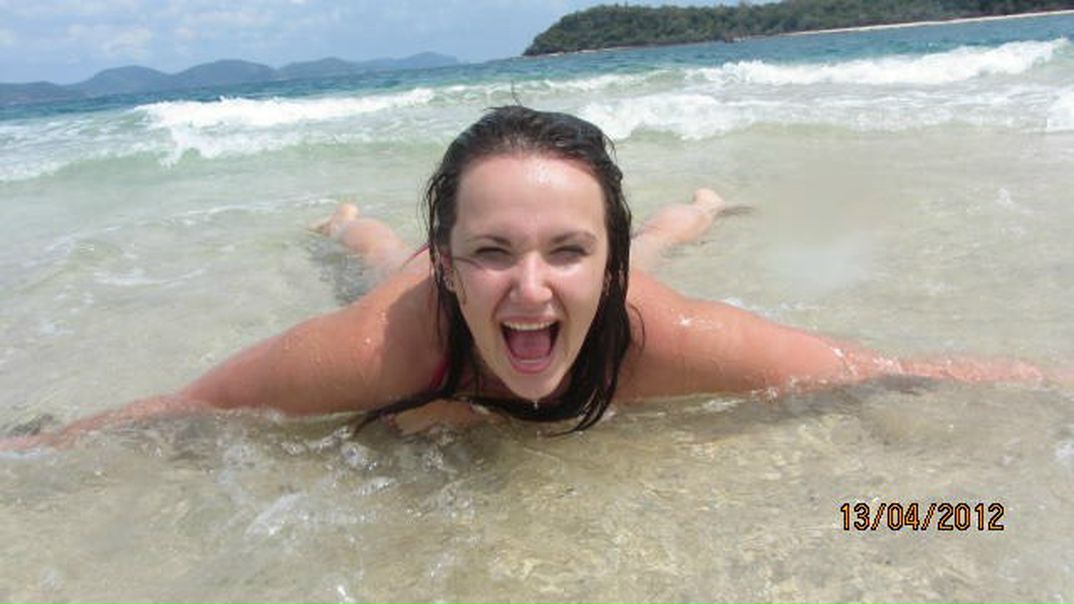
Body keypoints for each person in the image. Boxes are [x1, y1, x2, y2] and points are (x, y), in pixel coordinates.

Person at [1, 106, 1062, 449]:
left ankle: (692, 209)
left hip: (627, 273)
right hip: (409, 275)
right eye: (491, 250)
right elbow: (185, 407)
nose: (529, 289)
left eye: (569, 249)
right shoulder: (379, 346)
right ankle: (353, 220)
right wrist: (36, 446)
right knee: (371, 255)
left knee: (661, 246)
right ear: (452, 260)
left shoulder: (658, 332)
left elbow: (875, 367)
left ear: (608, 258)